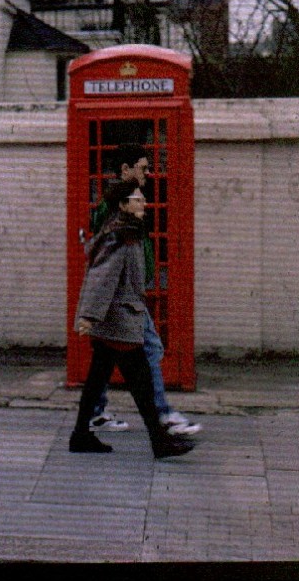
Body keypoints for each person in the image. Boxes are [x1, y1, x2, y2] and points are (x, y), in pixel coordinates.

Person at [71, 178, 196, 458]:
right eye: (137, 199)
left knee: (97, 379)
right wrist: (88, 316)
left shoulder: (127, 231)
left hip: (118, 319)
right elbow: (102, 277)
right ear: (123, 205)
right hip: (120, 320)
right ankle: (159, 441)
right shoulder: (122, 236)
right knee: (141, 382)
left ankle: (81, 434)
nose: (144, 202)